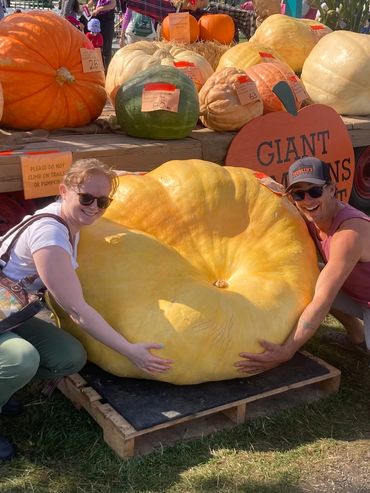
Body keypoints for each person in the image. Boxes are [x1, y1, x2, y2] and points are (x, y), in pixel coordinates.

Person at [0, 158, 173, 461]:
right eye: (86, 198)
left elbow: (107, 178)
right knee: (22, 359)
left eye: (103, 200)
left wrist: (137, 173)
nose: (94, 206)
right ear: (63, 191)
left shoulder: (70, 220)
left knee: (70, 356)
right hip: (6, 309)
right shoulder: (50, 236)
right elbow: (77, 310)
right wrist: (130, 350)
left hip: (11, 310)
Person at [235, 157, 370, 374]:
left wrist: (287, 350)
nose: (307, 200)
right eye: (298, 194)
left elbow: (323, 300)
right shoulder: (310, 212)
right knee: (309, 279)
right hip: (359, 293)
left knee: (321, 289)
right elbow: (270, 188)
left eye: (315, 191)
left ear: (332, 190)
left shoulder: (349, 233)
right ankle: (358, 337)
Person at [88, 0, 116, 69]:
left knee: (106, 49)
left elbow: (112, 5)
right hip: (97, 20)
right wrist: (87, 6)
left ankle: (106, 72)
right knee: (95, 46)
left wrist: (99, 9)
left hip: (107, 21)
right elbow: (92, 1)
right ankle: (96, 71)